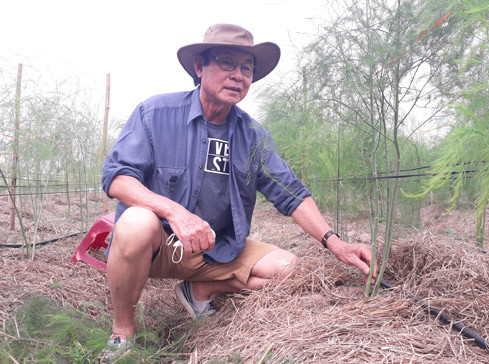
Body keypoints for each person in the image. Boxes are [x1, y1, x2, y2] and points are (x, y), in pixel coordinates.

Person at [101, 23, 377, 358]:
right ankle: (122, 332)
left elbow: (290, 193)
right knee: (135, 222)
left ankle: (200, 288)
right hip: (158, 247)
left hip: (217, 251)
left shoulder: (252, 136)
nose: (238, 75)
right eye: (227, 63)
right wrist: (176, 213)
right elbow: (118, 178)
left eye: (246, 68)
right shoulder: (156, 114)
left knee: (292, 270)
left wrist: (336, 242)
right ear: (200, 67)